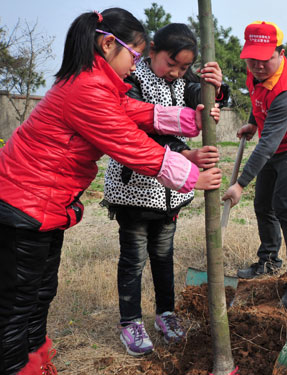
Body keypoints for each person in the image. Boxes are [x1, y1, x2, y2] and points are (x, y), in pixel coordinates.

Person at [0, 9, 223, 375]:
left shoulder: (95, 83)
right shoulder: (87, 88)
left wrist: (189, 119)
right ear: (108, 44)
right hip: (23, 204)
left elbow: (133, 111)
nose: (135, 67)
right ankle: (17, 366)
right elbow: (130, 144)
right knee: (16, 306)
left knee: (41, 291)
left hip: (42, 206)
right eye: (133, 57)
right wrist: (191, 174)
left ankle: (37, 357)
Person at [101, 23, 228, 356]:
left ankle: (166, 314)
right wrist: (185, 154)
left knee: (163, 255)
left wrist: (215, 86)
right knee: (133, 258)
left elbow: (201, 97)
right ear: (152, 50)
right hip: (135, 188)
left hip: (170, 192)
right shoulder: (133, 81)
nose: (176, 72)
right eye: (171, 63)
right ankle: (130, 322)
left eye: (184, 68)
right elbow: (138, 133)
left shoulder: (183, 82)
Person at [221, 21, 287, 308]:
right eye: (251, 58)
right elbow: (257, 100)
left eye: (264, 59)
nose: (257, 65)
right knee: (263, 204)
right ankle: (268, 261)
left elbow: (268, 145)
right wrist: (253, 122)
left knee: (285, 206)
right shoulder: (256, 73)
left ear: (281, 52)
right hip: (275, 142)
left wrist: (240, 183)